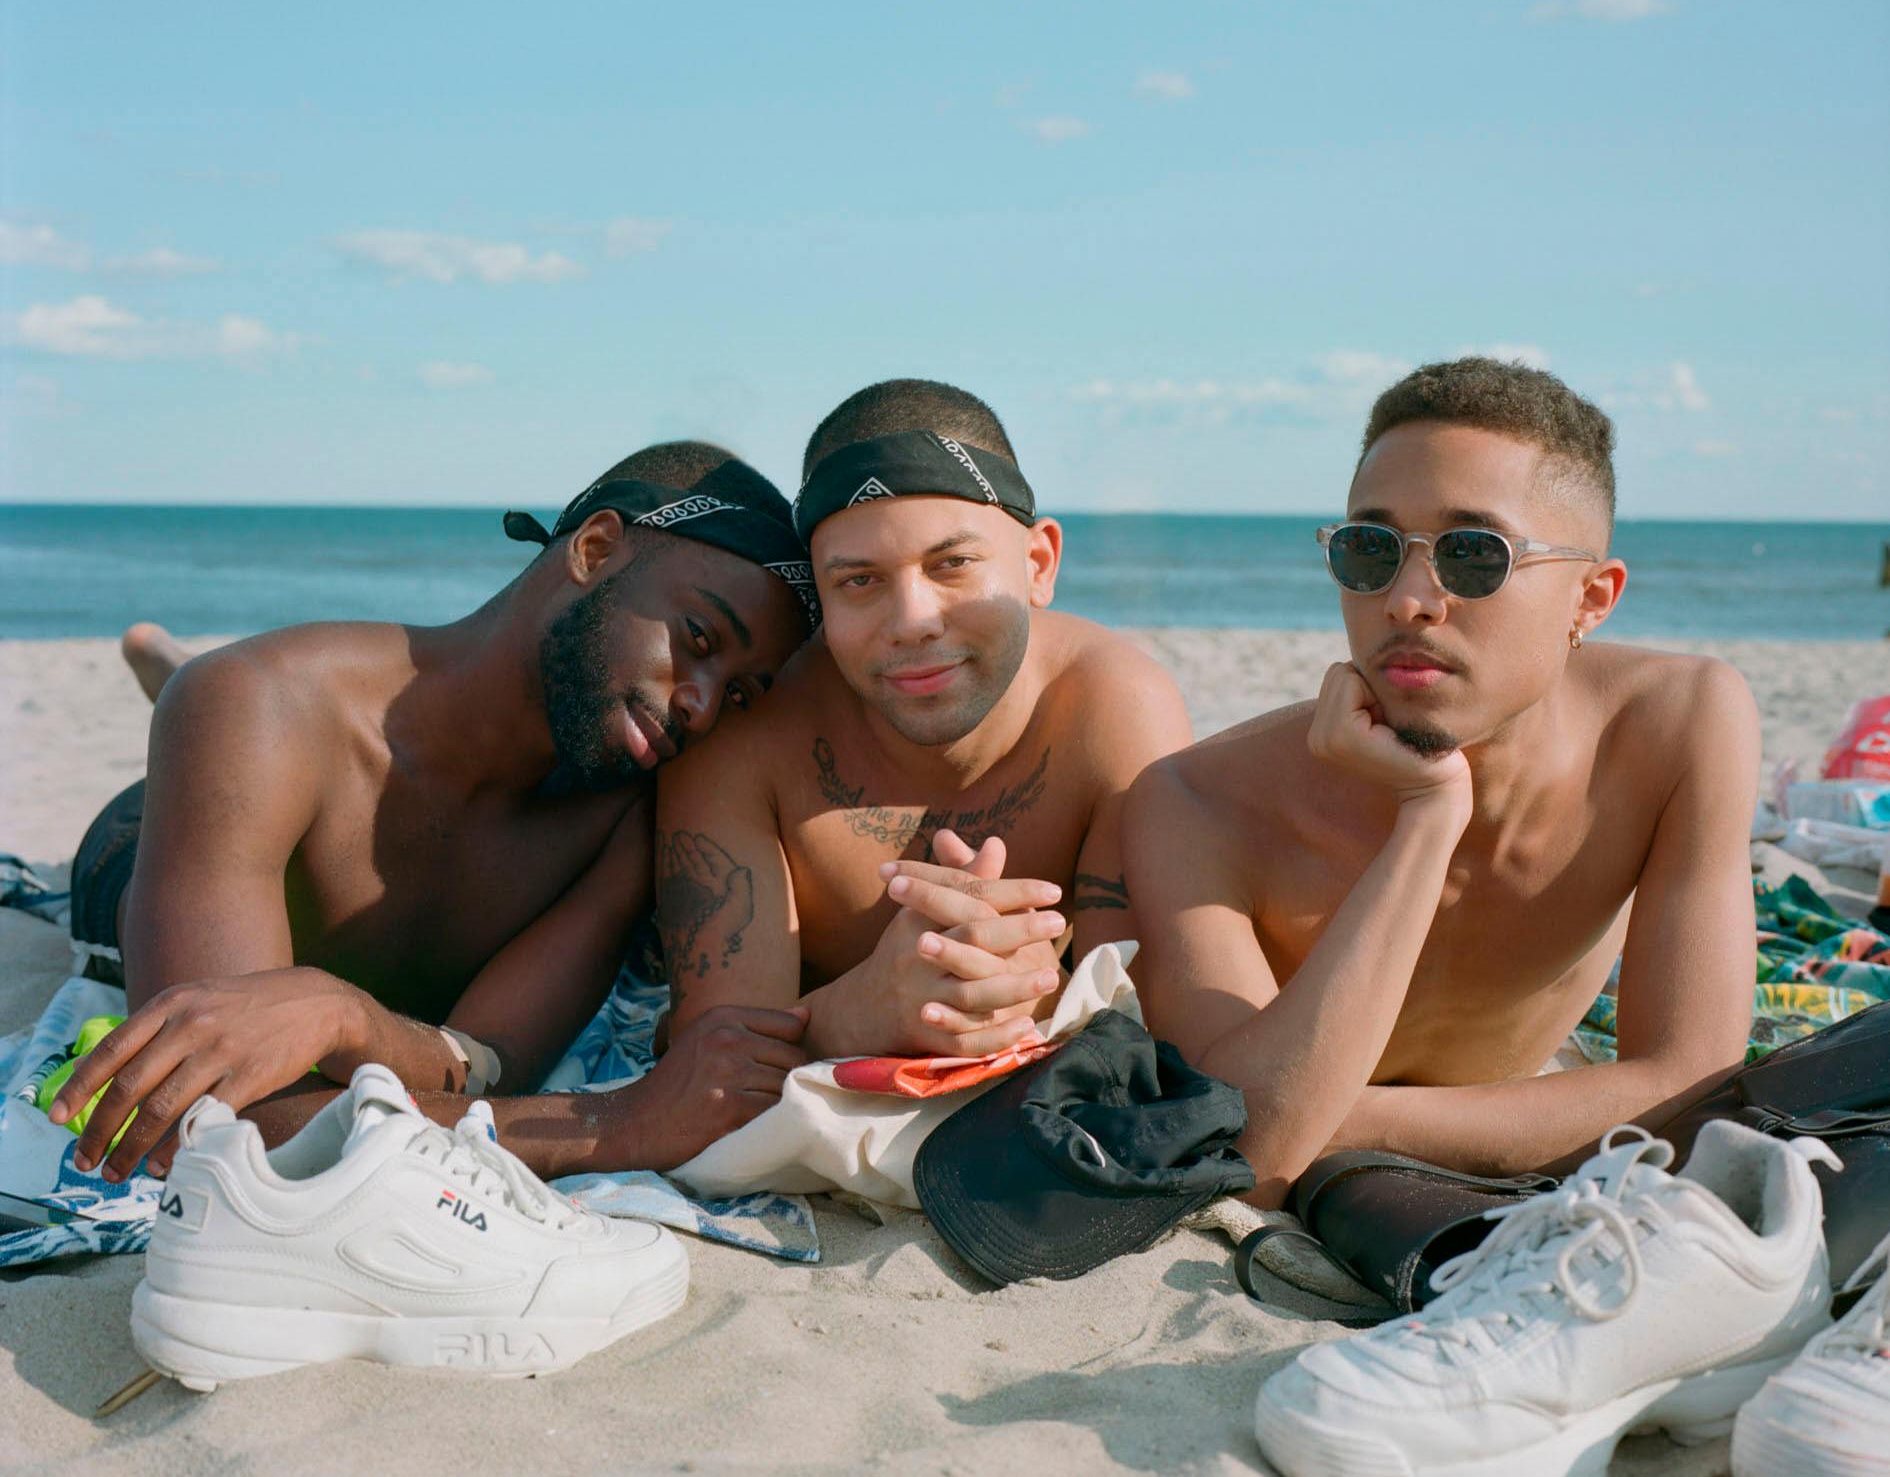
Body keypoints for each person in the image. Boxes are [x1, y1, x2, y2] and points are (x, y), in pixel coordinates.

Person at [49, 443, 820, 1184]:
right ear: (593, 548)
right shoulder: (257, 705)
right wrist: (619, 1122)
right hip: (140, 840)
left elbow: (488, 1064)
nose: (703, 702)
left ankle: (168, 669)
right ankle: (170, 671)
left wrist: (348, 1018)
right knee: (211, 711)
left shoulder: (625, 814)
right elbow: (223, 1122)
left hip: (277, 792)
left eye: (739, 692)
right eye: (698, 637)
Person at [1126, 357, 1759, 1206]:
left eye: (1472, 555)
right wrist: (1428, 815)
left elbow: (1689, 1090)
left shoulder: (1676, 724)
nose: (1408, 600)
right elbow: (1253, 1158)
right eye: (1370, 549)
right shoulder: (1196, 801)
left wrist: (1342, 1116)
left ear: (1592, 599)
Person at [655, 378, 1194, 1060]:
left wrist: (1010, 986)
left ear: (1038, 562)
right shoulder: (750, 735)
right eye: (859, 581)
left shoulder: (1112, 707)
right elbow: (710, 1064)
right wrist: (865, 1006)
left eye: (954, 564)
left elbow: (1144, 1023)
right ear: (819, 595)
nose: (912, 621)